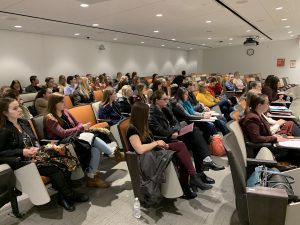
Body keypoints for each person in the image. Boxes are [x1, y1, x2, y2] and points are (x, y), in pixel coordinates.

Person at [0, 97, 89, 211]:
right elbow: (1, 153)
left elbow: (35, 141)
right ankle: (69, 195)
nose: (20, 110)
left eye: (19, 106)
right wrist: (22, 151)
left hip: (38, 155)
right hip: (24, 163)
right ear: (5, 112)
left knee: (67, 157)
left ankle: (64, 196)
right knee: (55, 167)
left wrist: (47, 146)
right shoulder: (4, 130)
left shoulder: (24, 122)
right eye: (15, 108)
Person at [127, 102, 211, 198]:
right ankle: (189, 181)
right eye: (147, 113)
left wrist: (161, 145)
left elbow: (149, 141)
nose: (149, 115)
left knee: (181, 149)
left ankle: (190, 180)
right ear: (141, 114)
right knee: (181, 149)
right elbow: (140, 149)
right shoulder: (132, 129)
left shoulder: (143, 126)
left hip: (154, 151)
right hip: (146, 157)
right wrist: (157, 143)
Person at [149, 90, 224, 185]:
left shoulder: (165, 108)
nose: (167, 101)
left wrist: (175, 131)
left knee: (196, 134)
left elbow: (176, 122)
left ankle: (204, 166)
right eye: (164, 99)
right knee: (197, 138)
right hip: (164, 140)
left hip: (173, 135)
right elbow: (161, 131)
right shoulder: (151, 115)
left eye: (167, 99)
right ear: (156, 100)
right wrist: (172, 132)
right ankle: (201, 171)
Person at [44, 93, 116, 188]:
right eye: (61, 102)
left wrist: (79, 128)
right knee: (92, 139)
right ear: (54, 103)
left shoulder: (65, 111)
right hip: (63, 145)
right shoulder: (50, 118)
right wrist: (80, 128)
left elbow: (78, 123)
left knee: (95, 149)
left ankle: (91, 176)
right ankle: (112, 152)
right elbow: (63, 133)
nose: (64, 103)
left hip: (75, 139)